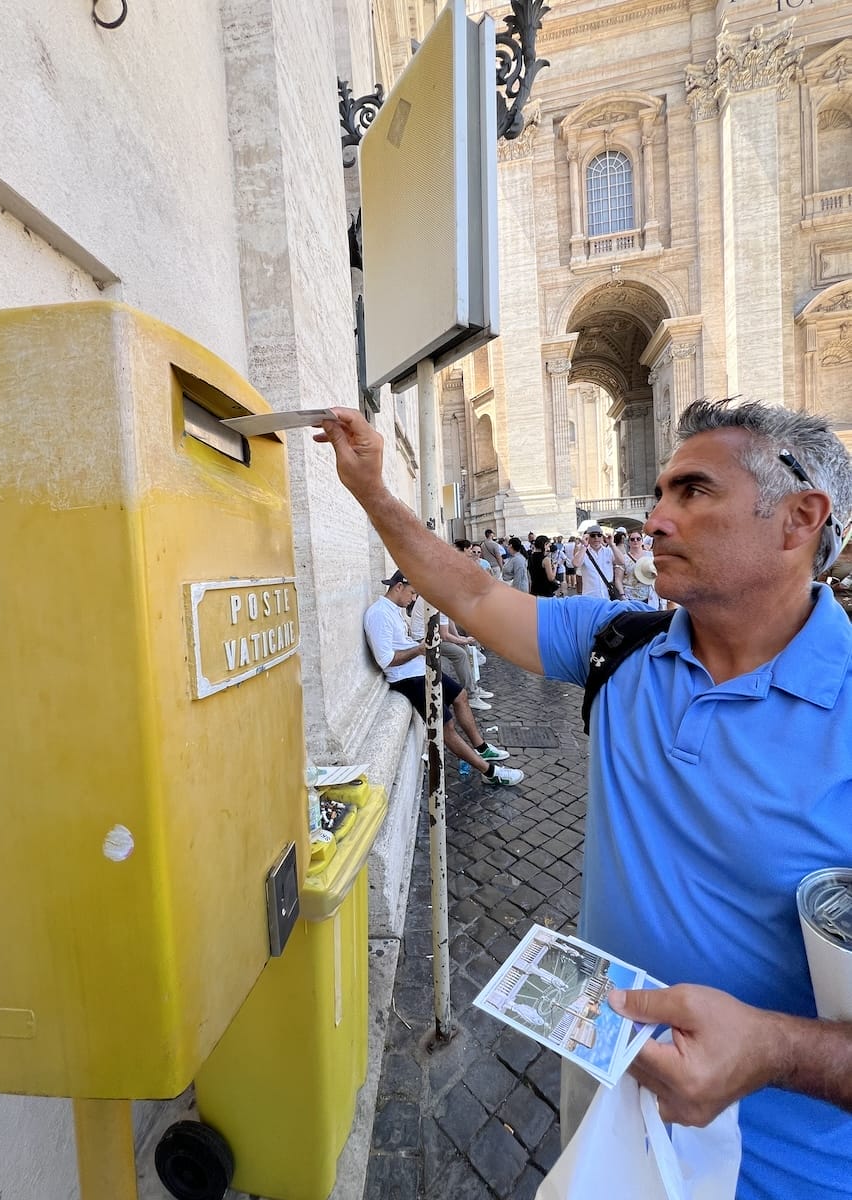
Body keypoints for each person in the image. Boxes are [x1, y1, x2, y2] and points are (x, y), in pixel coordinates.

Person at [317, 398, 852, 1200]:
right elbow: (465, 592)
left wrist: (775, 1050)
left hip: (787, 1171)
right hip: (605, 1100)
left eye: (693, 492)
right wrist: (370, 490)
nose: (656, 518)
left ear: (799, 519)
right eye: (661, 491)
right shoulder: (620, 642)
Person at [362, 569, 522, 786]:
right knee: (445, 727)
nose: (414, 598)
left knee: (461, 696)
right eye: (412, 593)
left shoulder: (394, 610)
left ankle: (482, 749)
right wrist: (419, 650)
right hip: (408, 679)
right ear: (398, 587)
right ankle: (490, 772)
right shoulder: (379, 614)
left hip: (419, 669)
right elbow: (386, 660)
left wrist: (419, 651)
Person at [409, 593, 493, 709]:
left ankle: (473, 688)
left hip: (431, 635)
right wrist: (462, 641)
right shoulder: (443, 598)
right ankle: (471, 696)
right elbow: (444, 635)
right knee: (460, 654)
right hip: (423, 639)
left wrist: (459, 638)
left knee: (463, 648)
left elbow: (448, 621)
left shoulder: (444, 595)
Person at [574, 525, 622, 599]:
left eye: (599, 535)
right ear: (587, 537)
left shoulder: (608, 551)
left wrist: (612, 545)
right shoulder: (583, 552)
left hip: (608, 596)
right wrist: (584, 546)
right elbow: (576, 564)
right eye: (593, 535)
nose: (596, 538)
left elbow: (621, 562)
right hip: (590, 597)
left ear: (602, 537)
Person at [621, 530, 656, 606]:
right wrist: (623, 596)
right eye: (632, 539)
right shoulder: (624, 558)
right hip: (630, 598)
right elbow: (618, 579)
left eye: (638, 539)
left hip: (649, 596)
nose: (635, 541)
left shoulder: (650, 555)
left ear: (642, 540)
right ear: (629, 542)